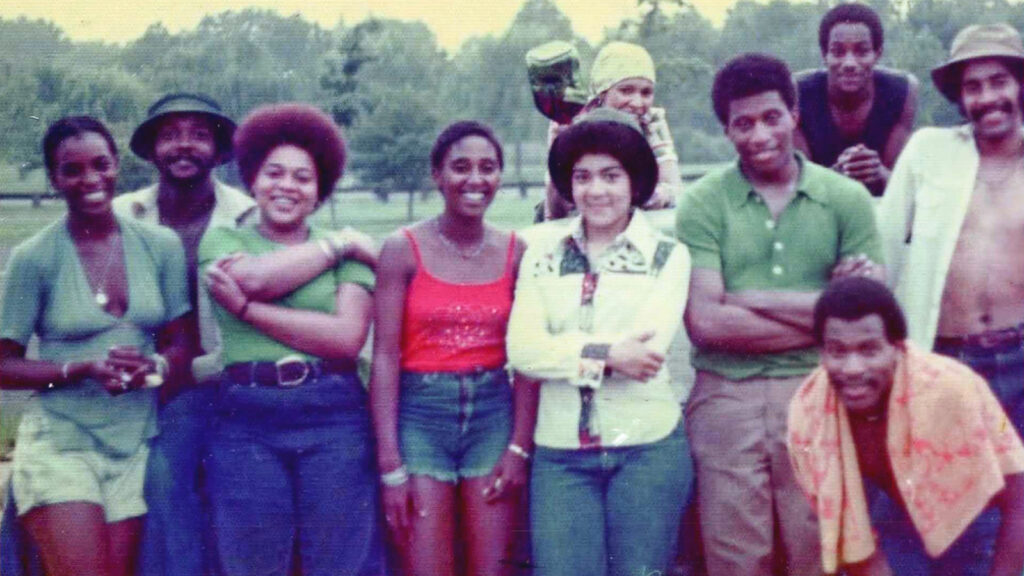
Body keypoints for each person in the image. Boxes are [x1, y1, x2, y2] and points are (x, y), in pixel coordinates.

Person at [675, 53, 884, 576]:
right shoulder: (702, 203)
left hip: (819, 389)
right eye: (742, 123)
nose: (760, 134)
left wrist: (743, 298)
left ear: (794, 114)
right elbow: (705, 323)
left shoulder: (847, 199)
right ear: (726, 130)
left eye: (772, 117)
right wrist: (826, 306)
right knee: (736, 556)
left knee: (819, 550)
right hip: (724, 393)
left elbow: (864, 322)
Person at [198, 103, 383, 576]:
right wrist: (335, 245)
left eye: (303, 178)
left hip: (333, 412)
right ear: (252, 181)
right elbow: (255, 278)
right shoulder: (222, 240)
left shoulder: (353, 256)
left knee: (339, 561)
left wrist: (245, 311)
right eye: (274, 173)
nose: (287, 186)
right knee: (252, 562)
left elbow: (345, 339)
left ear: (319, 190)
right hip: (247, 414)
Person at [0, 116, 191, 576]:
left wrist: (153, 367)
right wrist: (81, 368)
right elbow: (4, 365)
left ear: (116, 167)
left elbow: (182, 343)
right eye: (72, 170)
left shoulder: (160, 245)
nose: (90, 180)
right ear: (54, 178)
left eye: (100, 165)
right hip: (62, 441)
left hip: (132, 443)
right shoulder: (35, 257)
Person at [507, 108, 693, 576]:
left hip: (647, 449)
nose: (596, 190)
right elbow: (523, 350)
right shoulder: (541, 252)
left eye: (611, 176)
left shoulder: (669, 256)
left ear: (635, 182)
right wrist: (609, 353)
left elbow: (646, 356)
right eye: (583, 177)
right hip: (560, 454)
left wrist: (565, 349)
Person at [370, 120, 532, 576]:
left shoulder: (516, 252)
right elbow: (384, 357)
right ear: (437, 175)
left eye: (488, 168)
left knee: (492, 568)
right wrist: (390, 466)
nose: (475, 180)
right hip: (421, 416)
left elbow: (527, 358)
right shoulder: (402, 250)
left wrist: (518, 447)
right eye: (460, 167)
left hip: (492, 414)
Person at [789, 277, 1024, 576]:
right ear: (821, 353)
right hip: (896, 523)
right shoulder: (809, 415)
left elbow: (1020, 497)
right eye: (837, 352)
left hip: (976, 521)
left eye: (869, 350)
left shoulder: (955, 390)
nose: (853, 369)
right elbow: (851, 536)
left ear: (897, 347)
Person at [113, 92, 255, 576]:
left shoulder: (247, 216)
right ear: (152, 149)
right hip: (135, 381)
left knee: (179, 483)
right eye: (170, 134)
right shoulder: (122, 214)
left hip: (217, 382)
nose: (183, 146)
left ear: (218, 150)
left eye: (198, 135)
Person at [878, 23, 1024, 438]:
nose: (988, 98)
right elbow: (880, 248)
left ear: (1021, 86)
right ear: (960, 98)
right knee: (952, 496)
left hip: (1021, 356)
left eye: (999, 82)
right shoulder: (928, 151)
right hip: (944, 359)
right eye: (973, 87)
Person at [541, 41, 682, 220]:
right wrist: (557, 148)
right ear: (602, 92)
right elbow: (555, 213)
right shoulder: (572, 122)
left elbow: (676, 190)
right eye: (626, 91)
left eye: (646, 93)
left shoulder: (651, 121)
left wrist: (660, 195)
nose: (637, 103)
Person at [794, 3, 917, 196]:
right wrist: (836, 176)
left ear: (877, 54)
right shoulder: (798, 92)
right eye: (838, 52)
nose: (849, 63)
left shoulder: (901, 91)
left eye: (861, 51)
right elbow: (798, 187)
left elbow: (900, 187)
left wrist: (878, 172)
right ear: (824, 55)